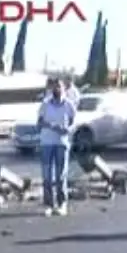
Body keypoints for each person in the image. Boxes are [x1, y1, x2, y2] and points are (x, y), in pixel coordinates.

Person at [37, 77, 77, 216]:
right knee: (47, 176)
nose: (57, 89)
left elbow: (73, 123)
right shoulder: (45, 104)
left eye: (59, 87)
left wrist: (67, 129)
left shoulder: (69, 105)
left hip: (62, 143)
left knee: (61, 176)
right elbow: (39, 122)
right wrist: (52, 126)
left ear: (64, 89)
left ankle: (62, 204)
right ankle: (48, 204)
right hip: (47, 142)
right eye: (55, 87)